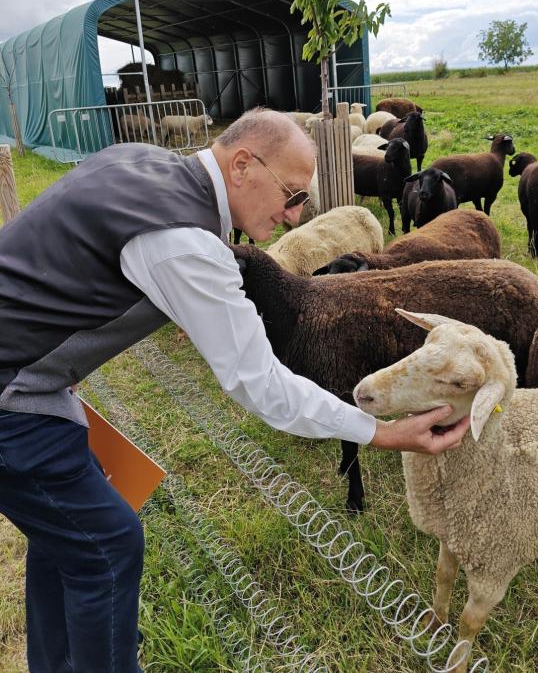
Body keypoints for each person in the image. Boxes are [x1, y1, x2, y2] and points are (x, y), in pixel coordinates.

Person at [0, 108, 469, 672]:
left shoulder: (145, 163)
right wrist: (383, 433)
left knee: (71, 537)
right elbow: (261, 383)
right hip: (13, 395)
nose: (296, 216)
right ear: (243, 164)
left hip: (31, 376)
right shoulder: (184, 241)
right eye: (292, 194)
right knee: (106, 544)